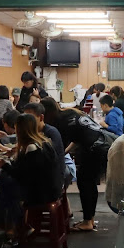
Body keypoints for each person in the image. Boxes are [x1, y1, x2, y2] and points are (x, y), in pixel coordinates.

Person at [41, 97, 103, 231]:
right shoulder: (70, 112)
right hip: (101, 143)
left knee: (85, 183)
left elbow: (58, 148)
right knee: (89, 183)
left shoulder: (59, 122)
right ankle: (90, 219)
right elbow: (77, 138)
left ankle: (87, 221)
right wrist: (64, 152)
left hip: (93, 148)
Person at [0, 114, 60, 239]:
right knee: (7, 185)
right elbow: (28, 171)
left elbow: (21, 176)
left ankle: (16, 226)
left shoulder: (32, 148)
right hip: (52, 187)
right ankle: (12, 224)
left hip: (43, 194)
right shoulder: (44, 142)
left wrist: (4, 165)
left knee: (7, 187)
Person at [24, 102, 66, 190]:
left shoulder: (51, 133)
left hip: (51, 179)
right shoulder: (30, 132)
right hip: (40, 175)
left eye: (30, 118)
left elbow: (47, 160)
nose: (27, 122)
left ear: (41, 117)